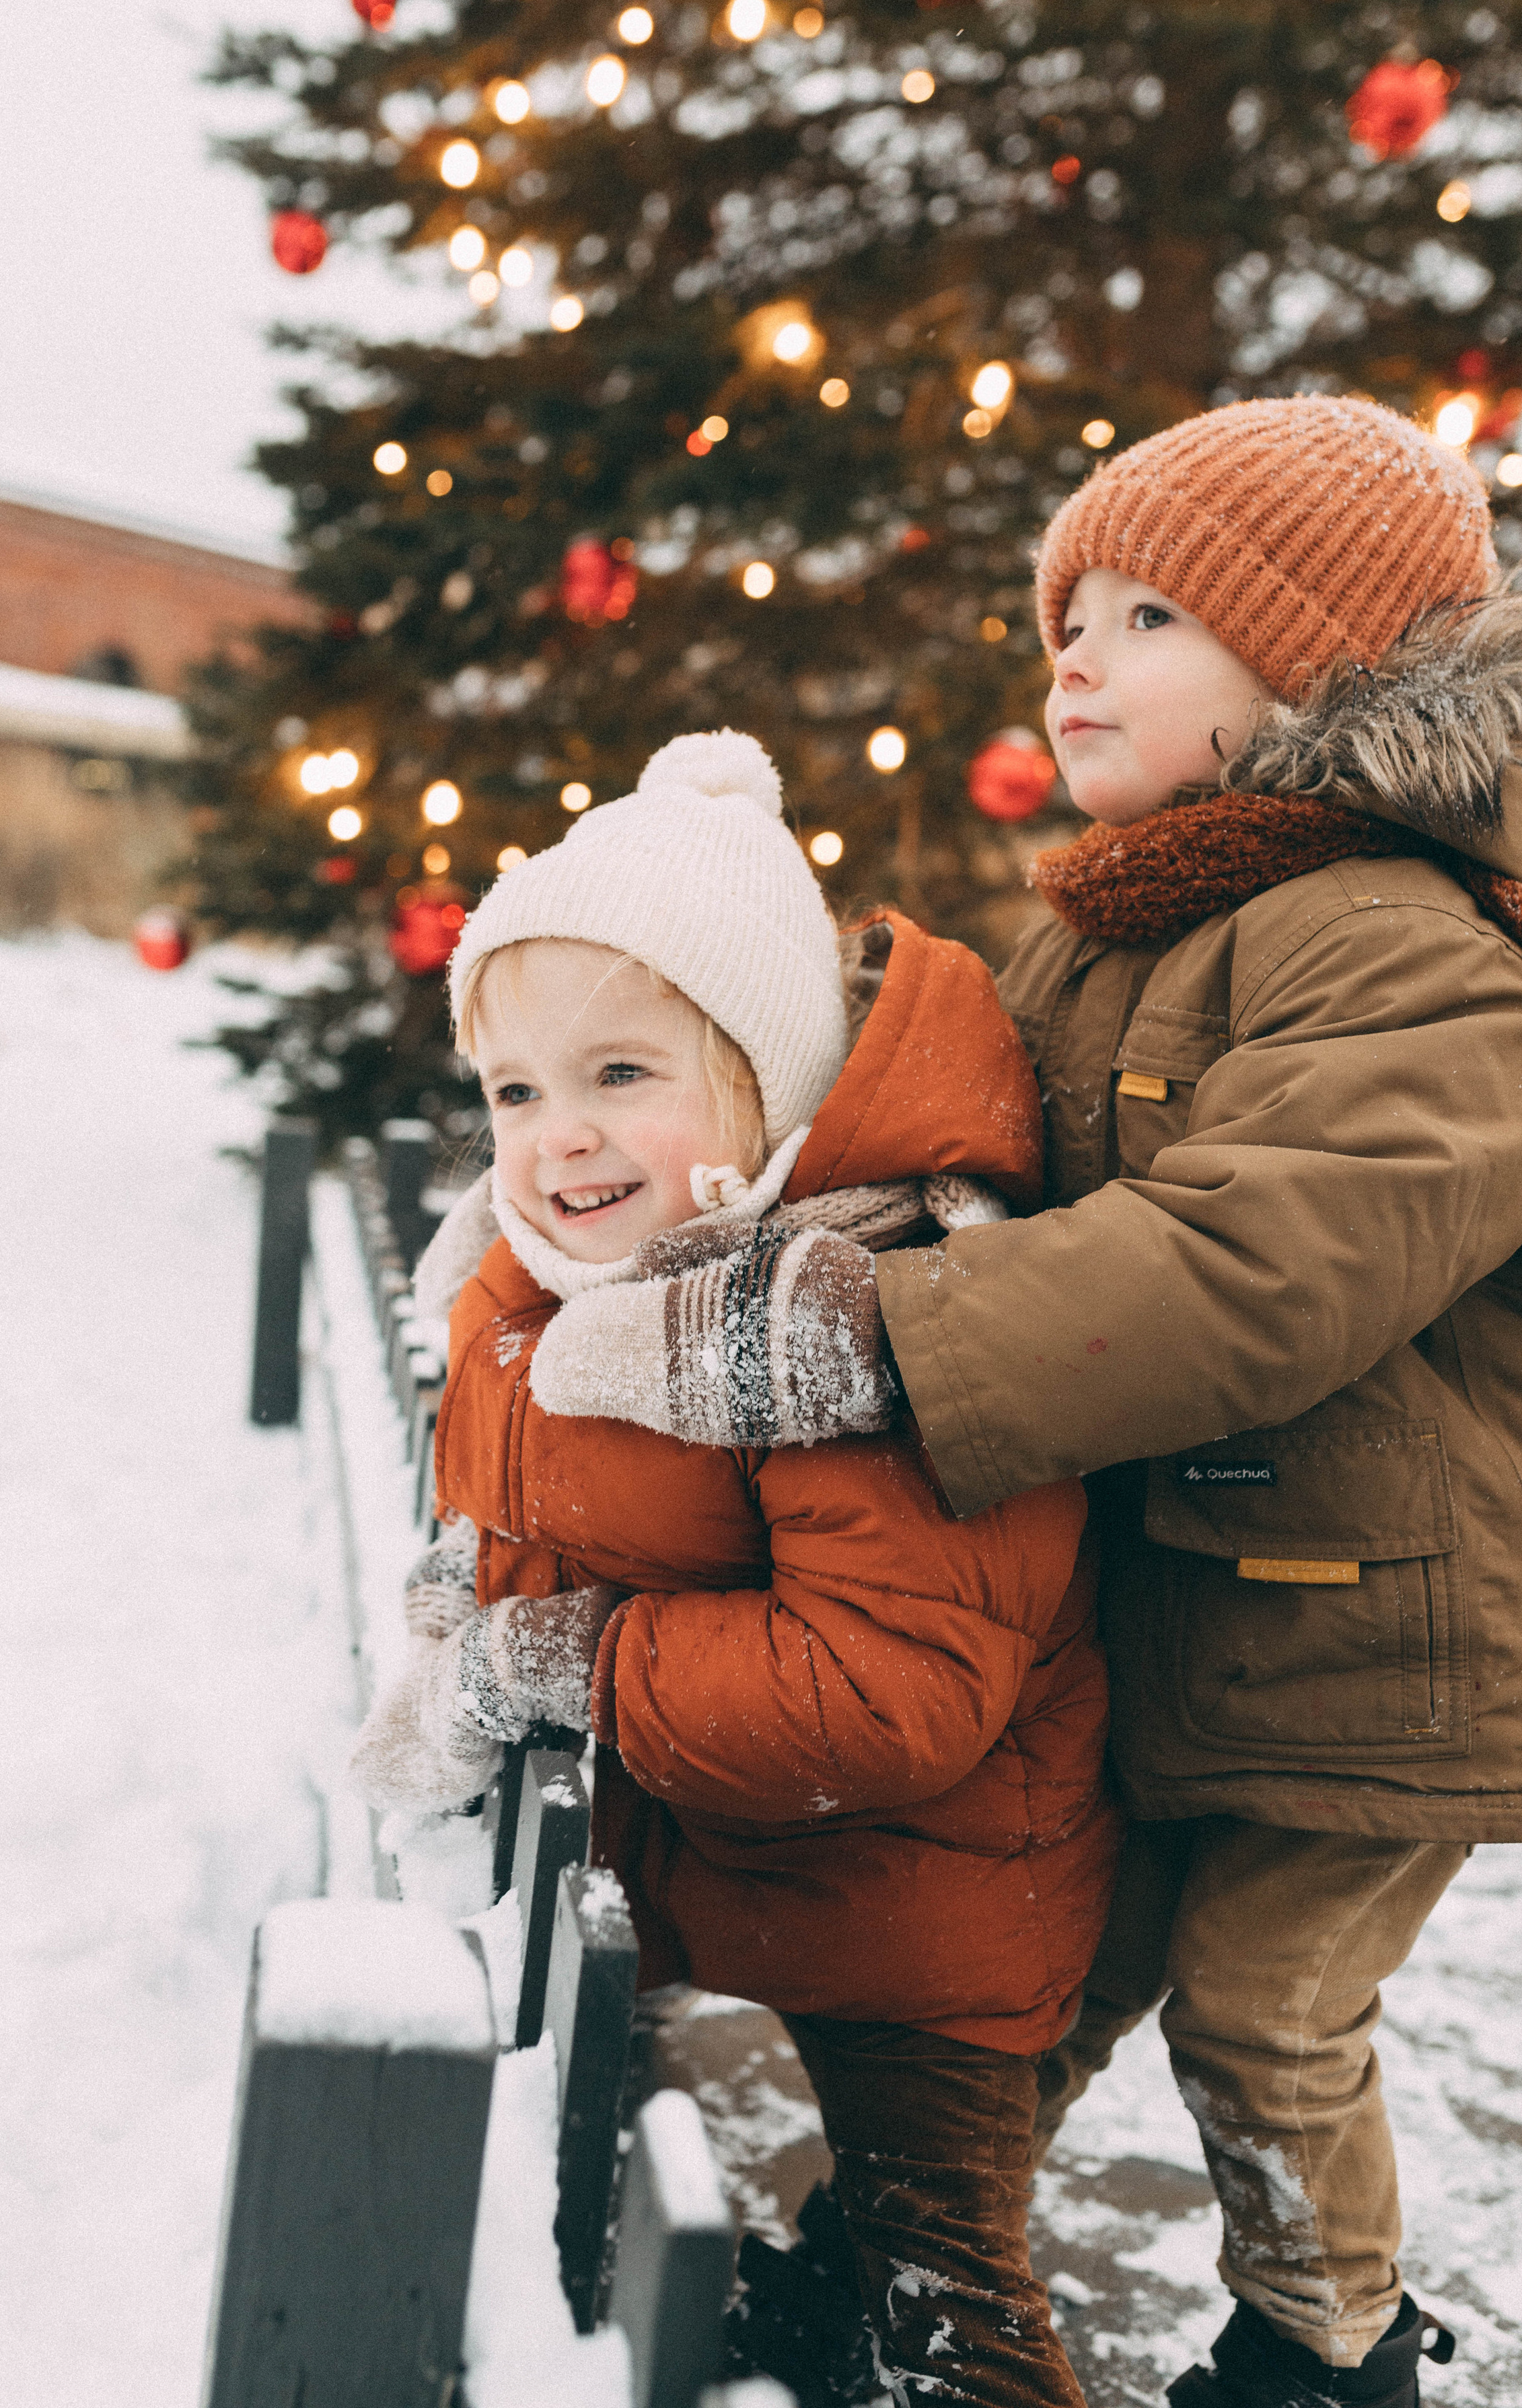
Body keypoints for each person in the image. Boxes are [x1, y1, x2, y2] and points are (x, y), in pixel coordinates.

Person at [533, 398, 1522, 2408]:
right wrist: (762, 1203)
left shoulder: (1415, 953)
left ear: (1329, 663)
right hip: (1191, 1596)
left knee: (1262, 2010)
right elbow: (973, 1149)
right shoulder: (1119, 924)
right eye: (1066, 617)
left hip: (1387, 1641)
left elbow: (1249, 1267)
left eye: (1149, 616)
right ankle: (896, 2260)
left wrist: (875, 1340)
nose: (1075, 660)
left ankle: (1326, 2352)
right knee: (1040, 1966)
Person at [350, 729, 1120, 2408]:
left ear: (769, 1084)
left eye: (621, 1074)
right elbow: (526, 1496)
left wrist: (540, 1660)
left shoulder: (857, 1329)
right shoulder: (548, 1276)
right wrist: (461, 1593)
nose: (557, 1138)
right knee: (839, 2273)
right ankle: (817, 2328)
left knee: (944, 2293)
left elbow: (885, 1694)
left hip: (937, 1902)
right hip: (733, 1849)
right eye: (514, 1090)